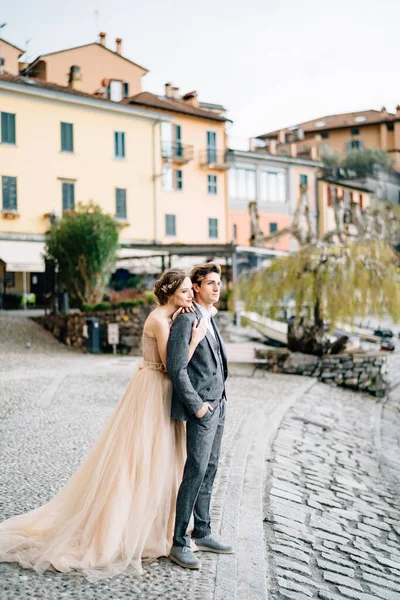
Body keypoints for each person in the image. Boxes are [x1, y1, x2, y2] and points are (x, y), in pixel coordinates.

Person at [0, 269, 208, 582]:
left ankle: (156, 524)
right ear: (169, 293)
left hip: (161, 389)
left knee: (162, 459)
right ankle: (122, 528)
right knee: (139, 459)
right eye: (184, 292)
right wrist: (195, 339)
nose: (191, 296)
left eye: (191, 291)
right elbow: (170, 365)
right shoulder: (158, 319)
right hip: (153, 388)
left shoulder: (173, 315)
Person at [167, 262, 234, 570]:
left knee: (211, 468)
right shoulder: (186, 319)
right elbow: (176, 368)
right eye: (210, 283)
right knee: (195, 470)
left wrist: (219, 398)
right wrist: (196, 405)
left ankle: (203, 531)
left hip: (218, 404)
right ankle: (179, 542)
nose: (217, 288)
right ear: (195, 287)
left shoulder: (209, 315)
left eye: (219, 283)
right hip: (203, 408)